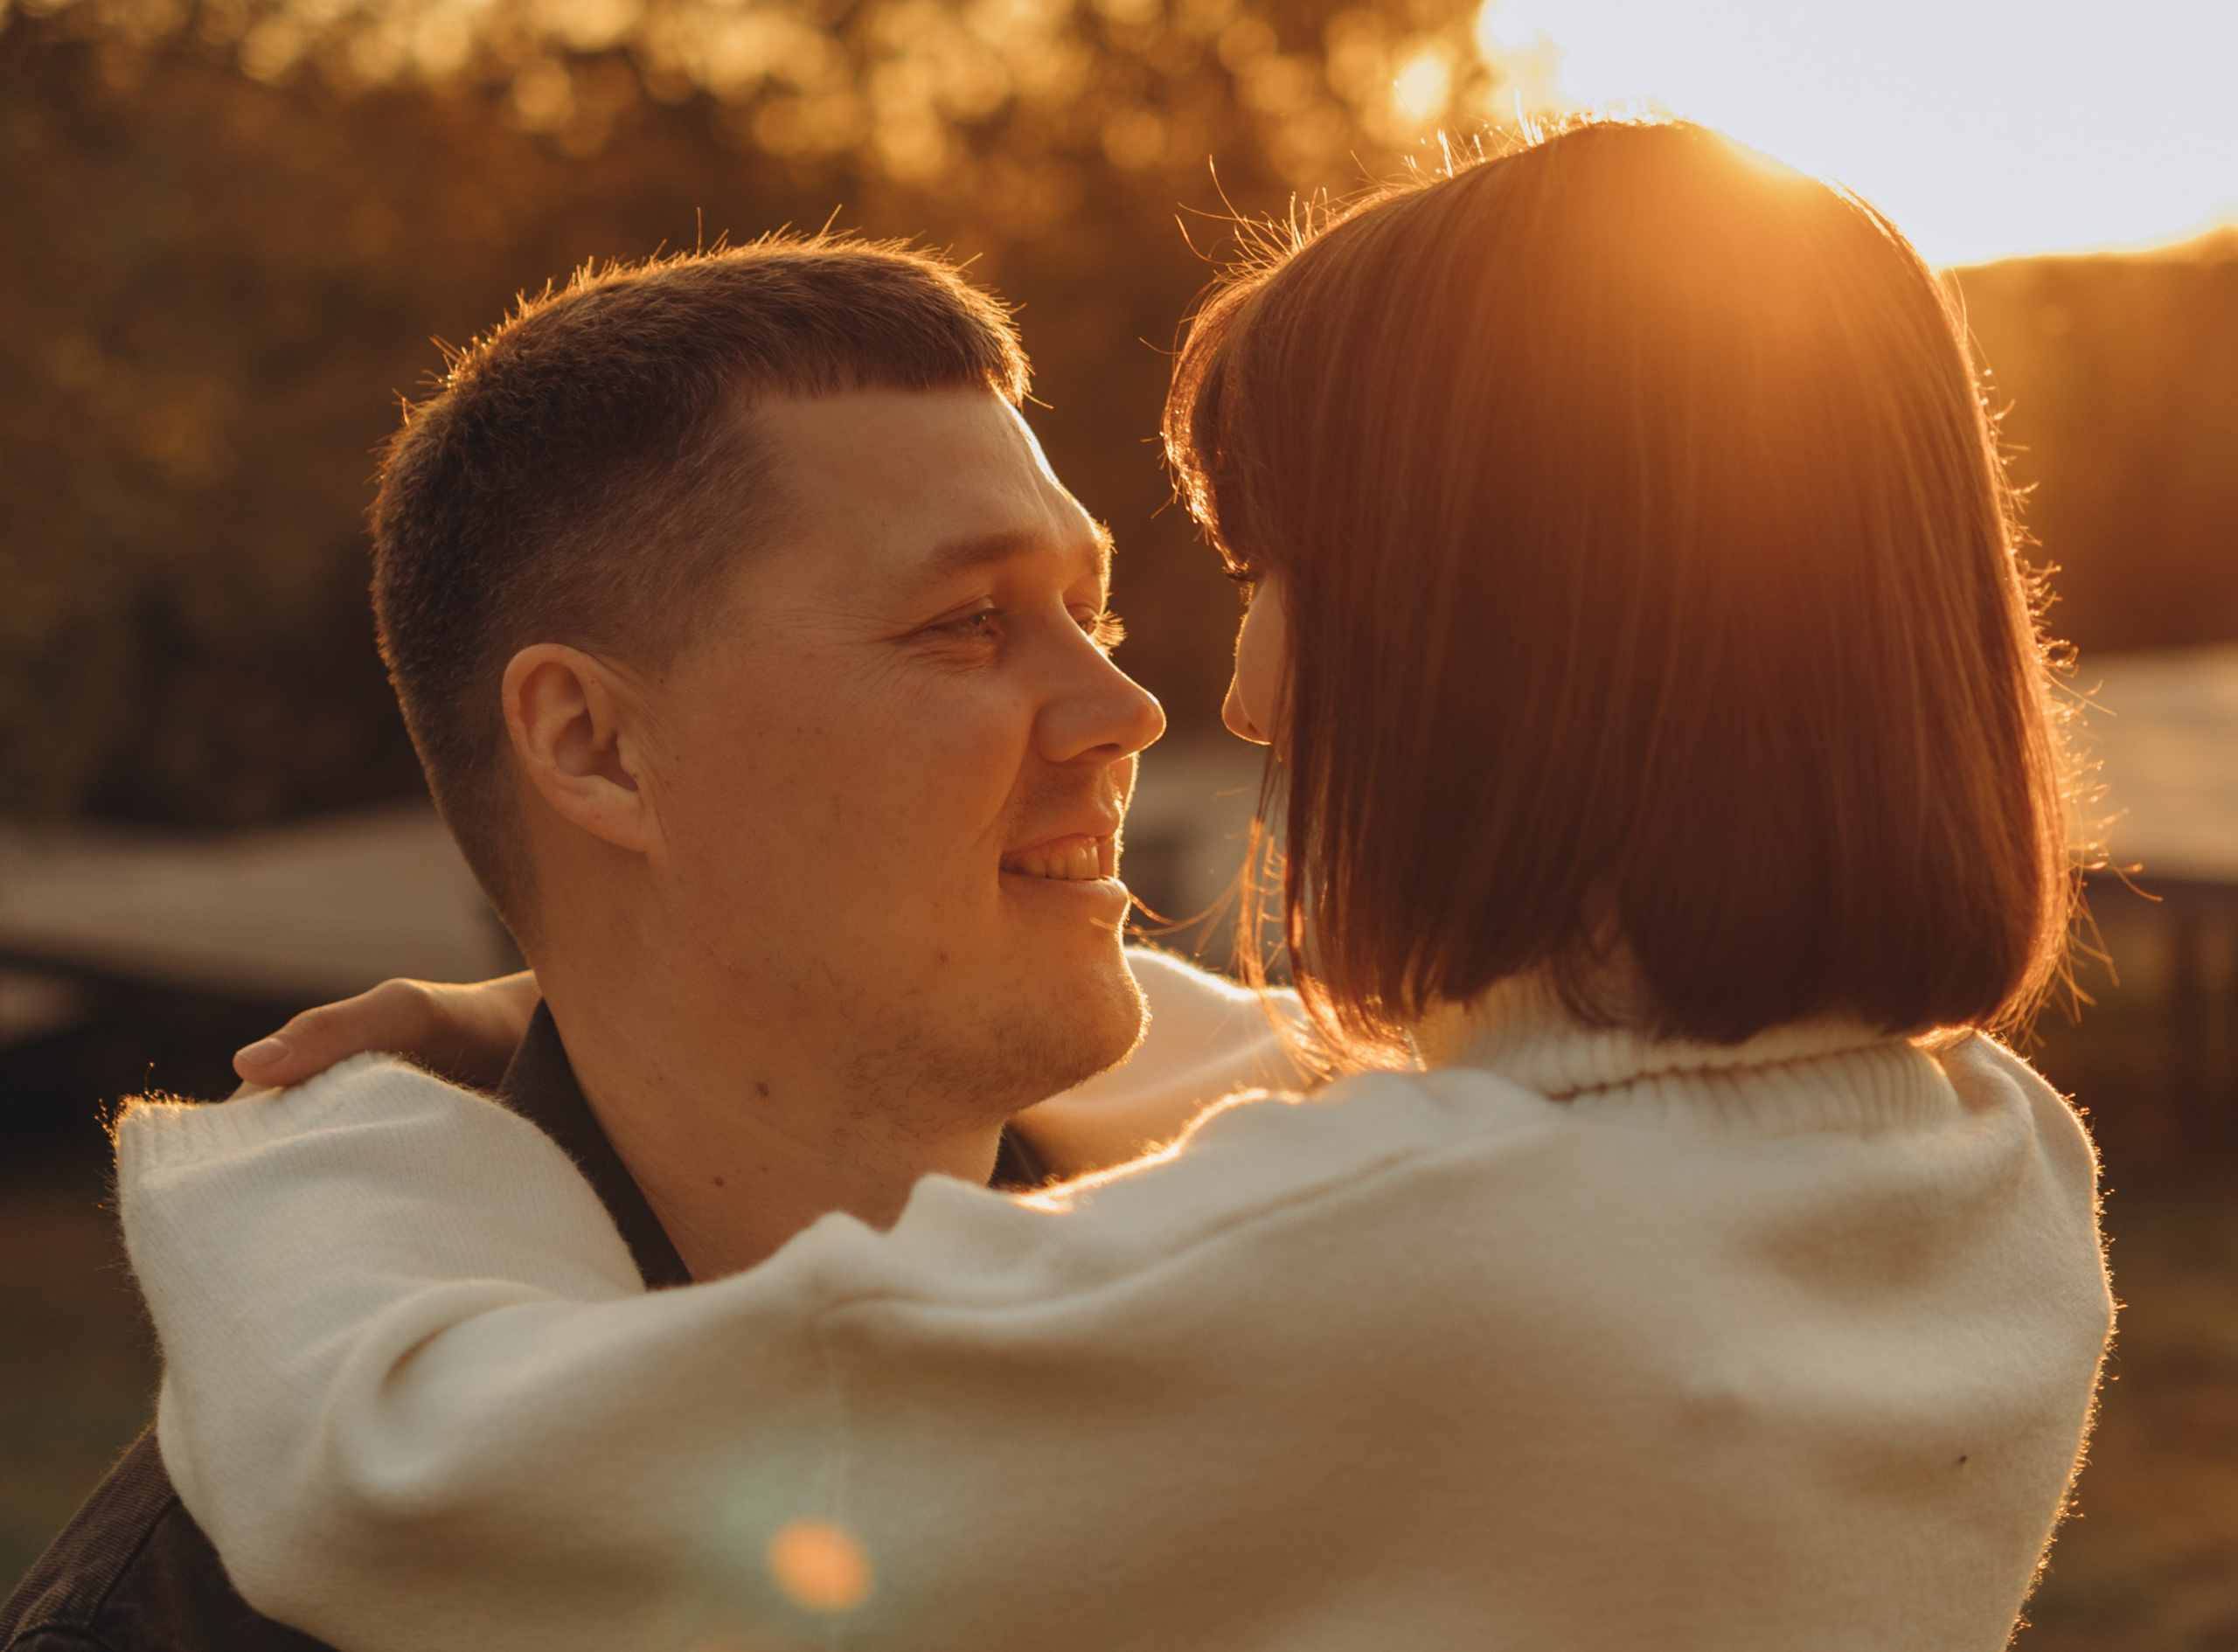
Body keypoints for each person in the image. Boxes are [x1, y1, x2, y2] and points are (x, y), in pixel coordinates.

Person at [111, 118, 2113, 1651]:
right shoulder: (1980, 1170)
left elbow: (395, 1470)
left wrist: (290, 1151)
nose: (1202, 693)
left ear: (1501, 637)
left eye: (1271, 581)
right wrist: (554, 1016)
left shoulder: (1390, 1292)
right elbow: (1363, 1124)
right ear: (592, 747)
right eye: (966, 625)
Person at [0, 240, 1306, 1652]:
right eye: (969, 624)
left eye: (1089, 610)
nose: (1126, 707)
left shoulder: (1313, 1305)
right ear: (596, 746)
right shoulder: (227, 1618)